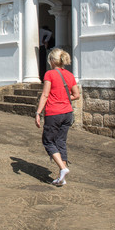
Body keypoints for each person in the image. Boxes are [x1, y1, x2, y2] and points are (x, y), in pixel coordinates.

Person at [35, 48, 80, 186]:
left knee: (48, 141)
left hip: (54, 113)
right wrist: (64, 99)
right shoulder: (70, 75)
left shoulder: (50, 74)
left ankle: (63, 168)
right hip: (67, 113)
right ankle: (61, 177)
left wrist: (38, 113)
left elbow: (45, 95)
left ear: (52, 61)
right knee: (61, 141)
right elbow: (76, 95)